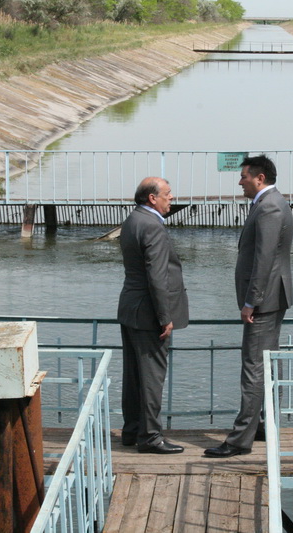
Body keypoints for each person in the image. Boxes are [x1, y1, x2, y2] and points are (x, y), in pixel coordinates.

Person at [204, 154, 293, 458]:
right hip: (272, 297)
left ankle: (240, 440)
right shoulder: (273, 202)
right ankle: (264, 425)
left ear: (260, 178)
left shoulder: (268, 206)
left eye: (243, 176)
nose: (239, 181)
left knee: (254, 367)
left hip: (264, 300)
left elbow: (264, 259)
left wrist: (250, 302)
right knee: (266, 364)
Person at [117, 177, 189, 454]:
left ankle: (133, 429)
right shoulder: (153, 226)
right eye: (168, 194)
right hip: (149, 313)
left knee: (134, 375)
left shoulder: (133, 220)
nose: (172, 198)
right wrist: (164, 316)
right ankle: (150, 437)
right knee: (151, 376)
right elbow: (157, 276)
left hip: (131, 307)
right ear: (152, 198)